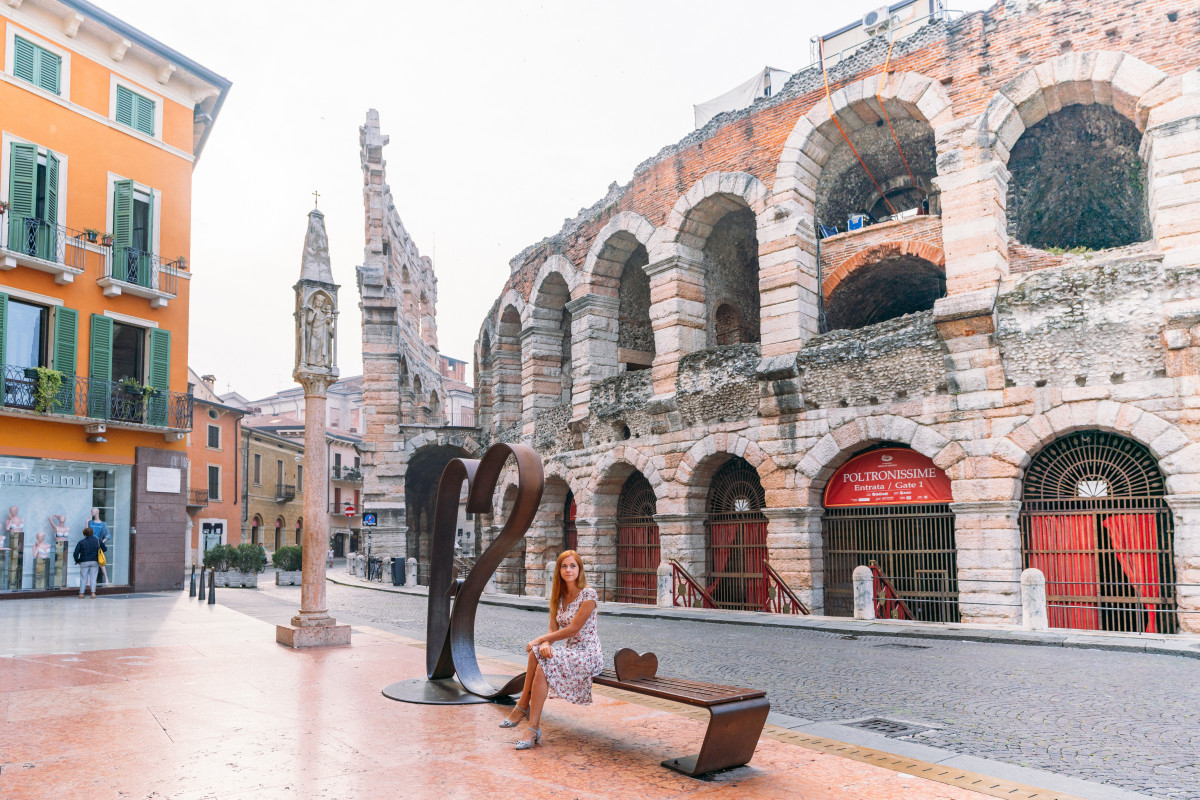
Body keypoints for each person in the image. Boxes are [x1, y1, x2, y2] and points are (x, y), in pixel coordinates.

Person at [501, 550, 602, 750]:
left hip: (587, 653)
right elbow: (553, 629)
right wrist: (545, 643)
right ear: (559, 570)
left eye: (573, 566)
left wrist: (541, 640)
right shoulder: (559, 596)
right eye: (564, 566)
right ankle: (531, 725)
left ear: (579, 569)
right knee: (539, 659)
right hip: (568, 651)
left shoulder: (588, 594)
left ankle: (523, 708)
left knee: (537, 654)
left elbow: (572, 629)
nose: (568, 570)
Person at [73, 526, 106, 598]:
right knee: (93, 578)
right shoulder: (97, 541)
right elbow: (104, 548)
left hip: (84, 561)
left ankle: (81, 594)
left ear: (84, 534)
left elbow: (76, 553)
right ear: (92, 533)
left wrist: (77, 560)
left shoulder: (81, 542)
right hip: (95, 561)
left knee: (83, 578)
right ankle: (93, 593)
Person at [87, 508, 111, 584]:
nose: (91, 512)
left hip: (97, 545)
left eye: (92, 511)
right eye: (91, 511)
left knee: (101, 562)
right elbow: (86, 533)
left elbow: (107, 535)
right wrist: (86, 523)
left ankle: (106, 579)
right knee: (89, 562)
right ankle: (88, 581)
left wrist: (101, 542)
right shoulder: (90, 522)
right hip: (90, 544)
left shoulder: (103, 524)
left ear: (97, 512)